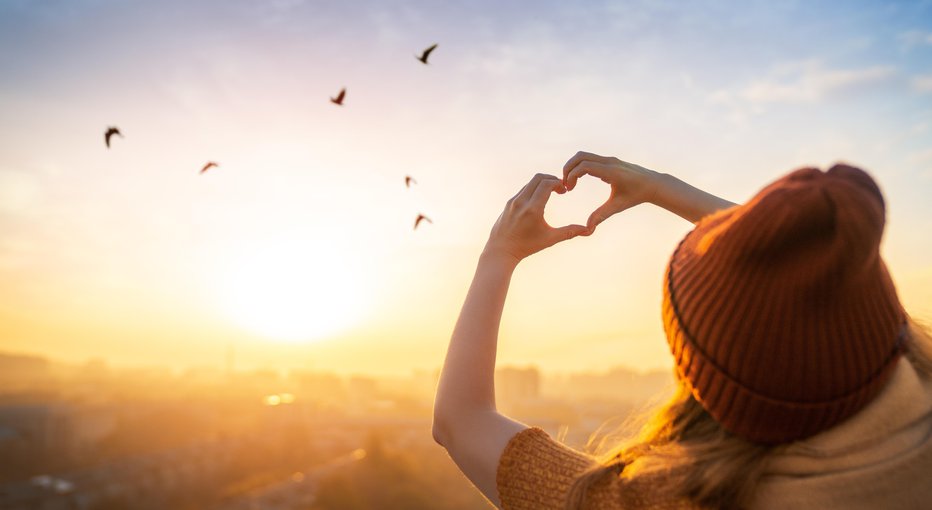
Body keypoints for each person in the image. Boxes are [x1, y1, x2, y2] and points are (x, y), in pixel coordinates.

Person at [432, 152, 932, 509]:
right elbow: (817, 276)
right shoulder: (917, 387)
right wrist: (657, 184)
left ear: (702, 374)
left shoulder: (659, 502)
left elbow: (460, 419)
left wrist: (498, 254)